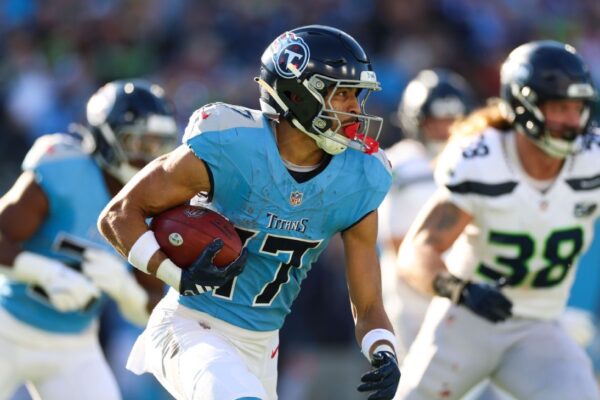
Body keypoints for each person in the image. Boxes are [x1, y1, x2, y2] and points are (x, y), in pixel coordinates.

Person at [97, 25, 401, 400]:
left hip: (263, 348)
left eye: (356, 95)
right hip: (192, 325)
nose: (355, 108)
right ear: (296, 94)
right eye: (341, 94)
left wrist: (383, 350)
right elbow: (119, 214)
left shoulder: (360, 176)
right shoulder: (232, 145)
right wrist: (174, 275)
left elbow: (368, 304)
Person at [395, 40, 600, 400]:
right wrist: (459, 289)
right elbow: (417, 250)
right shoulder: (482, 160)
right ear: (523, 106)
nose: (573, 120)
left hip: (540, 326)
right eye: (560, 108)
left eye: (578, 108)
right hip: (466, 322)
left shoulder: (592, 159)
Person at [0, 79, 178, 400]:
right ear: (107, 137)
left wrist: (124, 290)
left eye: (159, 145)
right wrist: (45, 272)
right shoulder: (64, 169)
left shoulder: (155, 205)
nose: (149, 157)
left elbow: (152, 309)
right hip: (8, 324)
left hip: (74, 344)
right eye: (138, 142)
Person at [378, 68, 475, 359]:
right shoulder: (399, 165)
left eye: (452, 121)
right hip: (414, 295)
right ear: (416, 122)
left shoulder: (474, 158)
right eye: (436, 122)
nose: (445, 130)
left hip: (462, 290)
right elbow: (396, 243)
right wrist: (445, 281)